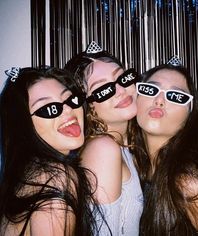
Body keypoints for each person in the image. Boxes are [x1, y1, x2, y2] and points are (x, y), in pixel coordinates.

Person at [131, 58, 198, 235]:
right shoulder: (134, 167)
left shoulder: (191, 183)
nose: (159, 100)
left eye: (176, 96)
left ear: (189, 115)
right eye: (150, 89)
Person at [0, 66, 100, 235]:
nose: (68, 110)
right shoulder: (55, 177)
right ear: (23, 126)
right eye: (49, 109)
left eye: (70, 100)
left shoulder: (31, 176)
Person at [65, 41, 143, 235]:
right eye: (104, 89)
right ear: (89, 106)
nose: (120, 90)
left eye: (123, 78)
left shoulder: (124, 147)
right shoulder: (103, 149)